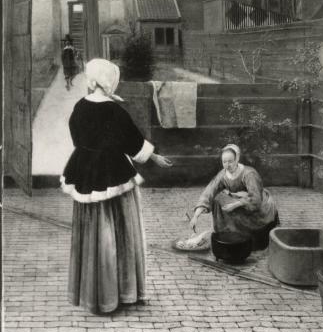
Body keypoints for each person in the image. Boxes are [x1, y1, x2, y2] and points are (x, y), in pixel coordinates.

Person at [61, 58, 173, 314]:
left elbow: (76, 136)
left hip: (85, 172)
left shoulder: (79, 106)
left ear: (92, 80)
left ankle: (94, 295)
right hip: (113, 172)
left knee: (94, 232)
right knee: (120, 230)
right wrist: (154, 156)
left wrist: (91, 151)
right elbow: (132, 142)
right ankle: (121, 293)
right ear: (110, 81)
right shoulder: (115, 110)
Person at [190, 144, 279, 250]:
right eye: (224, 162)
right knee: (217, 200)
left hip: (256, 205)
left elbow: (256, 199)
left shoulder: (249, 173)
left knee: (231, 205)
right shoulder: (223, 174)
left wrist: (235, 204)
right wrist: (196, 216)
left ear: (237, 159)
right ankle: (226, 236)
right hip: (238, 200)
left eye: (230, 161)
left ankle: (247, 241)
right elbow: (209, 193)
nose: (227, 165)